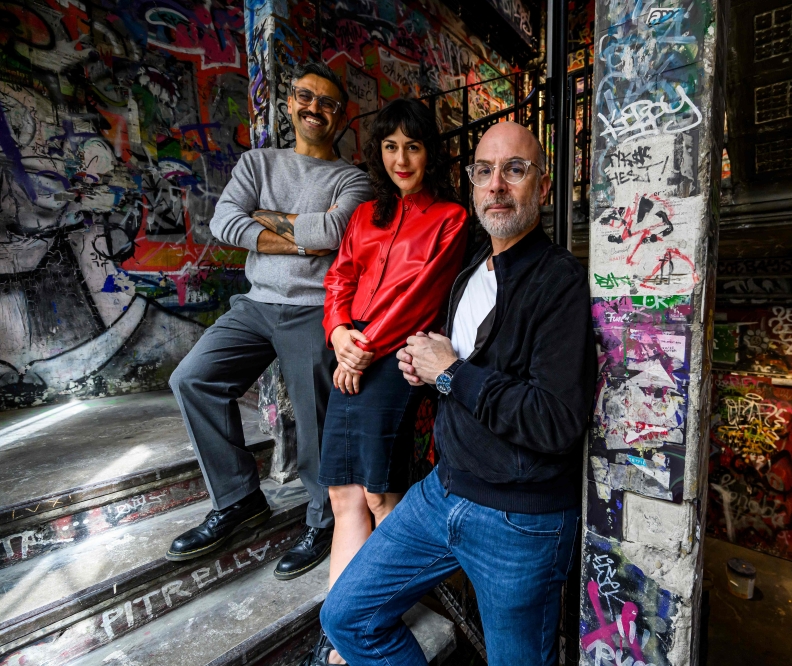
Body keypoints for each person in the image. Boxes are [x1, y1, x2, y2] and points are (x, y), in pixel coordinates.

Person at [320, 121, 597, 665]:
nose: (496, 185)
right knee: (346, 616)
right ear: (471, 184)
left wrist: (451, 373)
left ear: (541, 188)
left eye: (515, 170)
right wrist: (423, 370)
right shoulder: (470, 275)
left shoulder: (559, 279)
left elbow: (558, 420)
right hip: (443, 491)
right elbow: (459, 377)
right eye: (484, 171)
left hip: (519, 518)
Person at [166, 62, 372, 582]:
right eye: (306, 97)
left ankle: (323, 520)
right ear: (289, 103)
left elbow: (334, 231)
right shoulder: (258, 163)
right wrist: (305, 235)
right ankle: (238, 499)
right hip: (256, 305)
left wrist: (267, 220)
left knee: (316, 421)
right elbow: (226, 221)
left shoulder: (353, 179)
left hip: (313, 310)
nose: (314, 109)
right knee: (192, 379)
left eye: (326, 103)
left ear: (340, 115)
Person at [303, 99, 468, 666]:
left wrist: (363, 350)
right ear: (378, 151)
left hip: (392, 363)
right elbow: (339, 277)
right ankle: (339, 624)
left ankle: (373, 615)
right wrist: (338, 333)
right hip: (352, 352)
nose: (401, 158)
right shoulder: (365, 215)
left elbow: (419, 294)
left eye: (413, 146)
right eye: (391, 146)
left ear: (431, 154)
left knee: (380, 494)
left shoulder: (451, 218)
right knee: (342, 492)